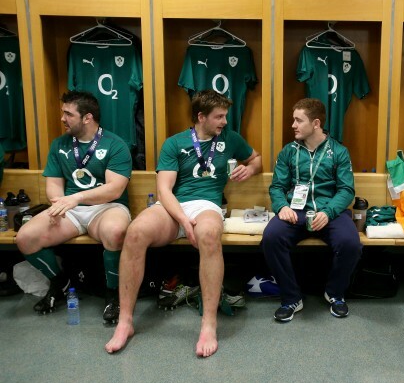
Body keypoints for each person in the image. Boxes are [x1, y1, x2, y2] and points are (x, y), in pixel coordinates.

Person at [105, 90, 261, 357]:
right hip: (173, 205)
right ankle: (125, 322)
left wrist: (251, 168)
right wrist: (183, 221)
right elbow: (164, 190)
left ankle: (209, 324)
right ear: (200, 117)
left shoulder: (230, 138)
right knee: (135, 232)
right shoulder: (175, 143)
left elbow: (255, 157)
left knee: (210, 234)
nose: (224, 121)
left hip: (207, 205)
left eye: (225, 115)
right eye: (219, 116)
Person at [15, 91, 132, 323]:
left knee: (115, 232)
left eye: (68, 114)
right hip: (71, 210)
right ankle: (60, 284)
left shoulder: (115, 144)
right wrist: (60, 204)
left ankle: (113, 294)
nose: (62, 118)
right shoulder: (59, 145)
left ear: (87, 118)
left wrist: (76, 199)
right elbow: (54, 186)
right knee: (25, 237)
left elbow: (114, 189)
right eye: (63, 113)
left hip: (107, 207)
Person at [262, 98, 361, 322]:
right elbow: (277, 186)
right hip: (295, 212)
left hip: (329, 212)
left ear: (315, 123)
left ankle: (335, 293)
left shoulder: (338, 151)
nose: (293, 125)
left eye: (299, 120)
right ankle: (291, 298)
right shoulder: (288, 152)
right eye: (293, 120)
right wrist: (282, 206)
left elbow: (346, 190)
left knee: (351, 243)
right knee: (271, 237)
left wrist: (328, 212)